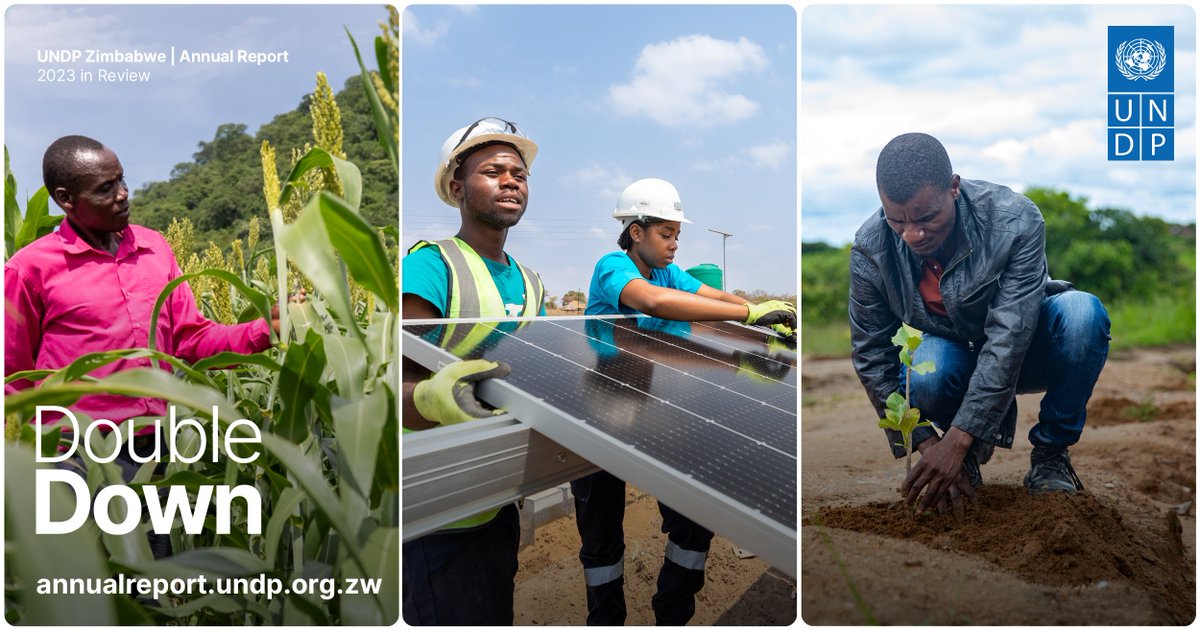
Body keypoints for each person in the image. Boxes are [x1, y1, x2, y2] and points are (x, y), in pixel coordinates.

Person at [4, 135, 292, 556]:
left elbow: (192, 338)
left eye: (122, 180)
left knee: (155, 583)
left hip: (156, 455)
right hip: (74, 458)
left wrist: (267, 329)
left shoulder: (155, 249)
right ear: (66, 199)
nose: (122, 195)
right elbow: (12, 377)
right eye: (105, 188)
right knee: (88, 595)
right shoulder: (30, 268)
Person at [849, 132, 1111, 515]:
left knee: (1082, 314)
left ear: (953, 188)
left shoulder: (1014, 220)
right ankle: (968, 459)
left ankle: (1051, 456)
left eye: (925, 218)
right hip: (952, 354)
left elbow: (1009, 337)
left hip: (1024, 348)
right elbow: (872, 356)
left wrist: (957, 440)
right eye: (897, 221)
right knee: (926, 373)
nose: (912, 234)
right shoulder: (870, 249)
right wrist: (929, 445)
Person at [574, 177, 795, 625]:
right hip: (599, 413)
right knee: (602, 539)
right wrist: (746, 315)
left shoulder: (667, 270)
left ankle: (672, 613)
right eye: (666, 234)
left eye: (678, 235)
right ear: (636, 231)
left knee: (693, 518)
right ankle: (606, 619)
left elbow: (712, 297)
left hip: (651, 407)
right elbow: (653, 302)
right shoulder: (614, 265)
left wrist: (762, 316)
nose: (674, 245)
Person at [401, 117, 544, 625]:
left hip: (497, 495)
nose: (511, 180)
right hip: (436, 507)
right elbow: (389, 383)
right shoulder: (432, 265)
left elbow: (540, 373)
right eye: (493, 171)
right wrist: (433, 399)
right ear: (457, 187)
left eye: (519, 173)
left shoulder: (531, 283)